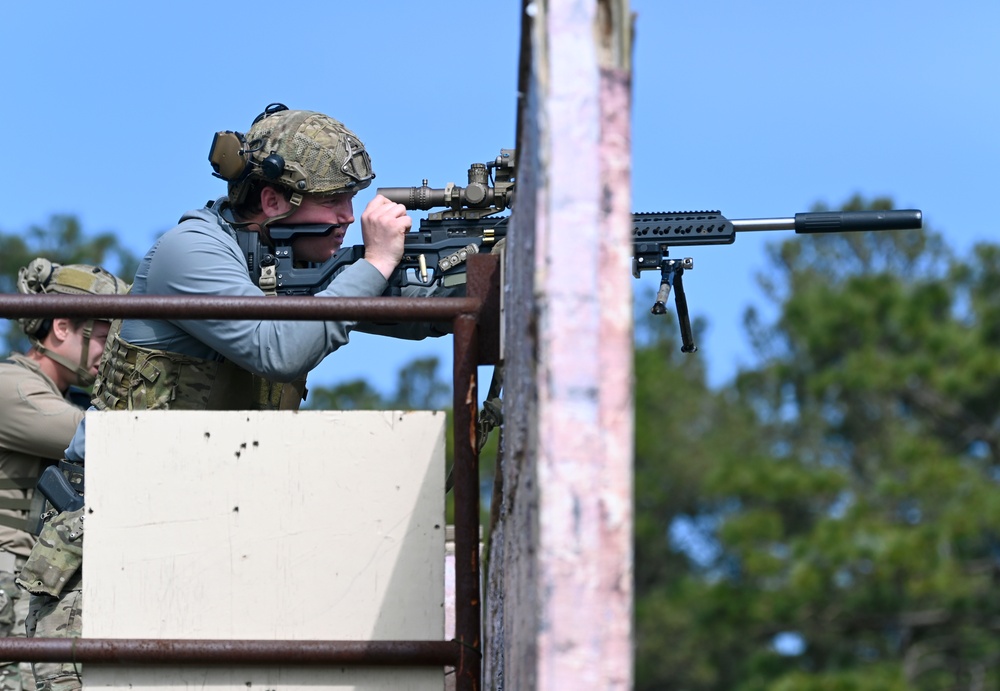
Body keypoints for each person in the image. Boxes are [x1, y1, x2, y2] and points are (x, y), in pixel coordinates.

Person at [16, 104, 452, 691]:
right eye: (334, 201)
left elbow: (413, 318)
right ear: (274, 202)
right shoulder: (190, 250)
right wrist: (376, 262)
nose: (349, 217)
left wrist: (462, 271)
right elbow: (276, 349)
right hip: (117, 539)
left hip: (214, 531)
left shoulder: (286, 260)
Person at [0, 258, 127, 691]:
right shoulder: (13, 388)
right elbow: (105, 439)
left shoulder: (50, 390)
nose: (109, 354)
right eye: (105, 337)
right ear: (61, 328)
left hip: (32, 576)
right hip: (11, 577)